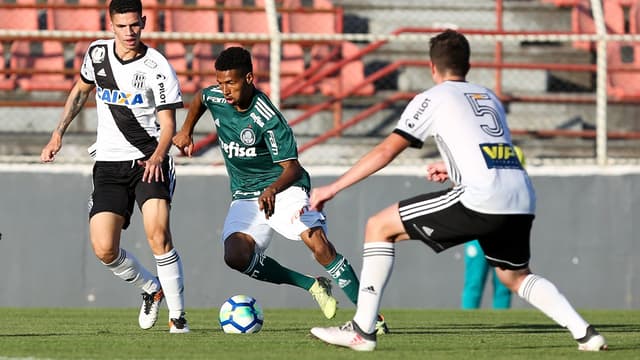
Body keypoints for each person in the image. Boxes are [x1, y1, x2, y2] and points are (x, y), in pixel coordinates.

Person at [308, 30, 607, 352]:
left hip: (482, 196)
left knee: (378, 226)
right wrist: (451, 169)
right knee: (514, 276)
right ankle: (586, 335)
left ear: (432, 67)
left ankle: (362, 331)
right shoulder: (487, 96)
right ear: (468, 65)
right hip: (520, 195)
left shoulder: (432, 97)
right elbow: (487, 150)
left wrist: (332, 188)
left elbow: (386, 150)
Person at [172, 46, 387, 333]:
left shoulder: (268, 118)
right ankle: (311, 285)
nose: (224, 90)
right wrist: (186, 129)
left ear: (249, 78)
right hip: (246, 194)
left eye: (231, 83)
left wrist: (273, 188)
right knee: (235, 256)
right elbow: (200, 98)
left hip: (284, 188)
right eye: (220, 82)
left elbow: (293, 168)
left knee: (318, 244)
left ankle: (371, 316)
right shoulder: (216, 96)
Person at [40, 0, 189, 333]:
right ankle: (151, 289)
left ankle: (178, 319)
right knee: (104, 248)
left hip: (149, 161)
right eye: (122, 26)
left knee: (158, 235)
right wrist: (57, 132)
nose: (129, 32)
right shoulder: (96, 56)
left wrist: (157, 156)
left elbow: (168, 125)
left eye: (135, 25)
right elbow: (80, 92)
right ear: (111, 26)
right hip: (108, 164)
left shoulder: (157, 66)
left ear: (144, 22)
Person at [461, 146, 524, 310]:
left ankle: (502, 326)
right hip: (478, 238)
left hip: (505, 239)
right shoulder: (482, 177)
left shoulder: (517, 185)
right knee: (474, 283)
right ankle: (468, 326)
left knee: (504, 285)